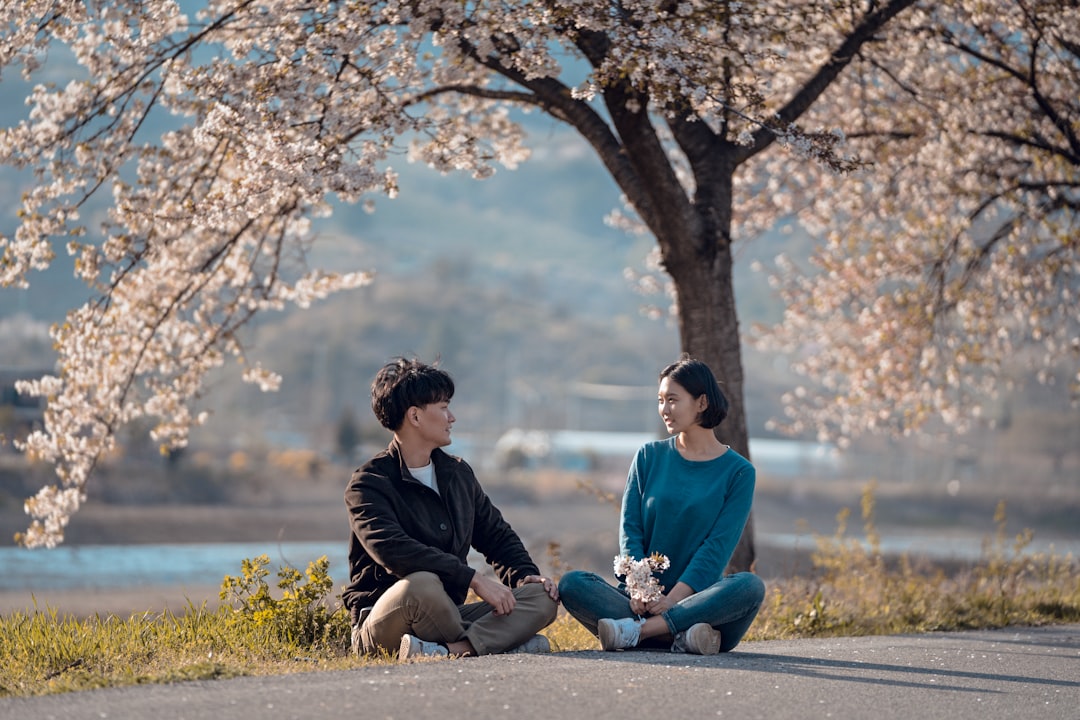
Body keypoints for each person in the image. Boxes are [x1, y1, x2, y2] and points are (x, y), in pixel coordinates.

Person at [343, 357, 559, 660]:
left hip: (449, 616)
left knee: (541, 598)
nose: (452, 417)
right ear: (415, 417)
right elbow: (394, 550)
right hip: (387, 620)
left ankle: (452, 650)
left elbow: (496, 535)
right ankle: (501, 643)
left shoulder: (457, 474)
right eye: (443, 408)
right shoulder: (369, 483)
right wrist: (474, 579)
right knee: (421, 585)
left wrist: (524, 576)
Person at [558, 356, 765, 654]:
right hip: (639, 602)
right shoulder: (648, 456)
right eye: (660, 400)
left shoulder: (739, 472)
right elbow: (631, 529)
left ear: (702, 403)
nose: (664, 410)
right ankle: (684, 638)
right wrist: (641, 588)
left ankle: (639, 633)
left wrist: (672, 601)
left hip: (700, 604)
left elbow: (716, 549)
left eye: (672, 400)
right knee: (573, 583)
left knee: (749, 587)